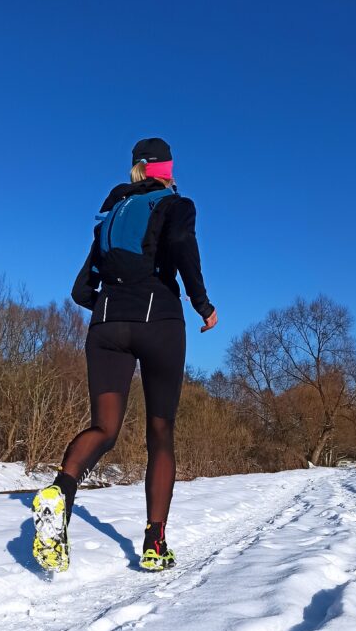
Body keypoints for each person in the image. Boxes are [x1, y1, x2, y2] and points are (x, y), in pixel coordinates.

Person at [32, 137, 218, 573]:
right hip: (159, 321)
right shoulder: (176, 204)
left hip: (105, 324)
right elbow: (183, 246)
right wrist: (202, 304)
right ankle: (155, 543)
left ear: (136, 169)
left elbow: (80, 290)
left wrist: (112, 302)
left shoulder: (111, 213)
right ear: (166, 170)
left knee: (104, 427)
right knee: (160, 433)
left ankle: (60, 490)